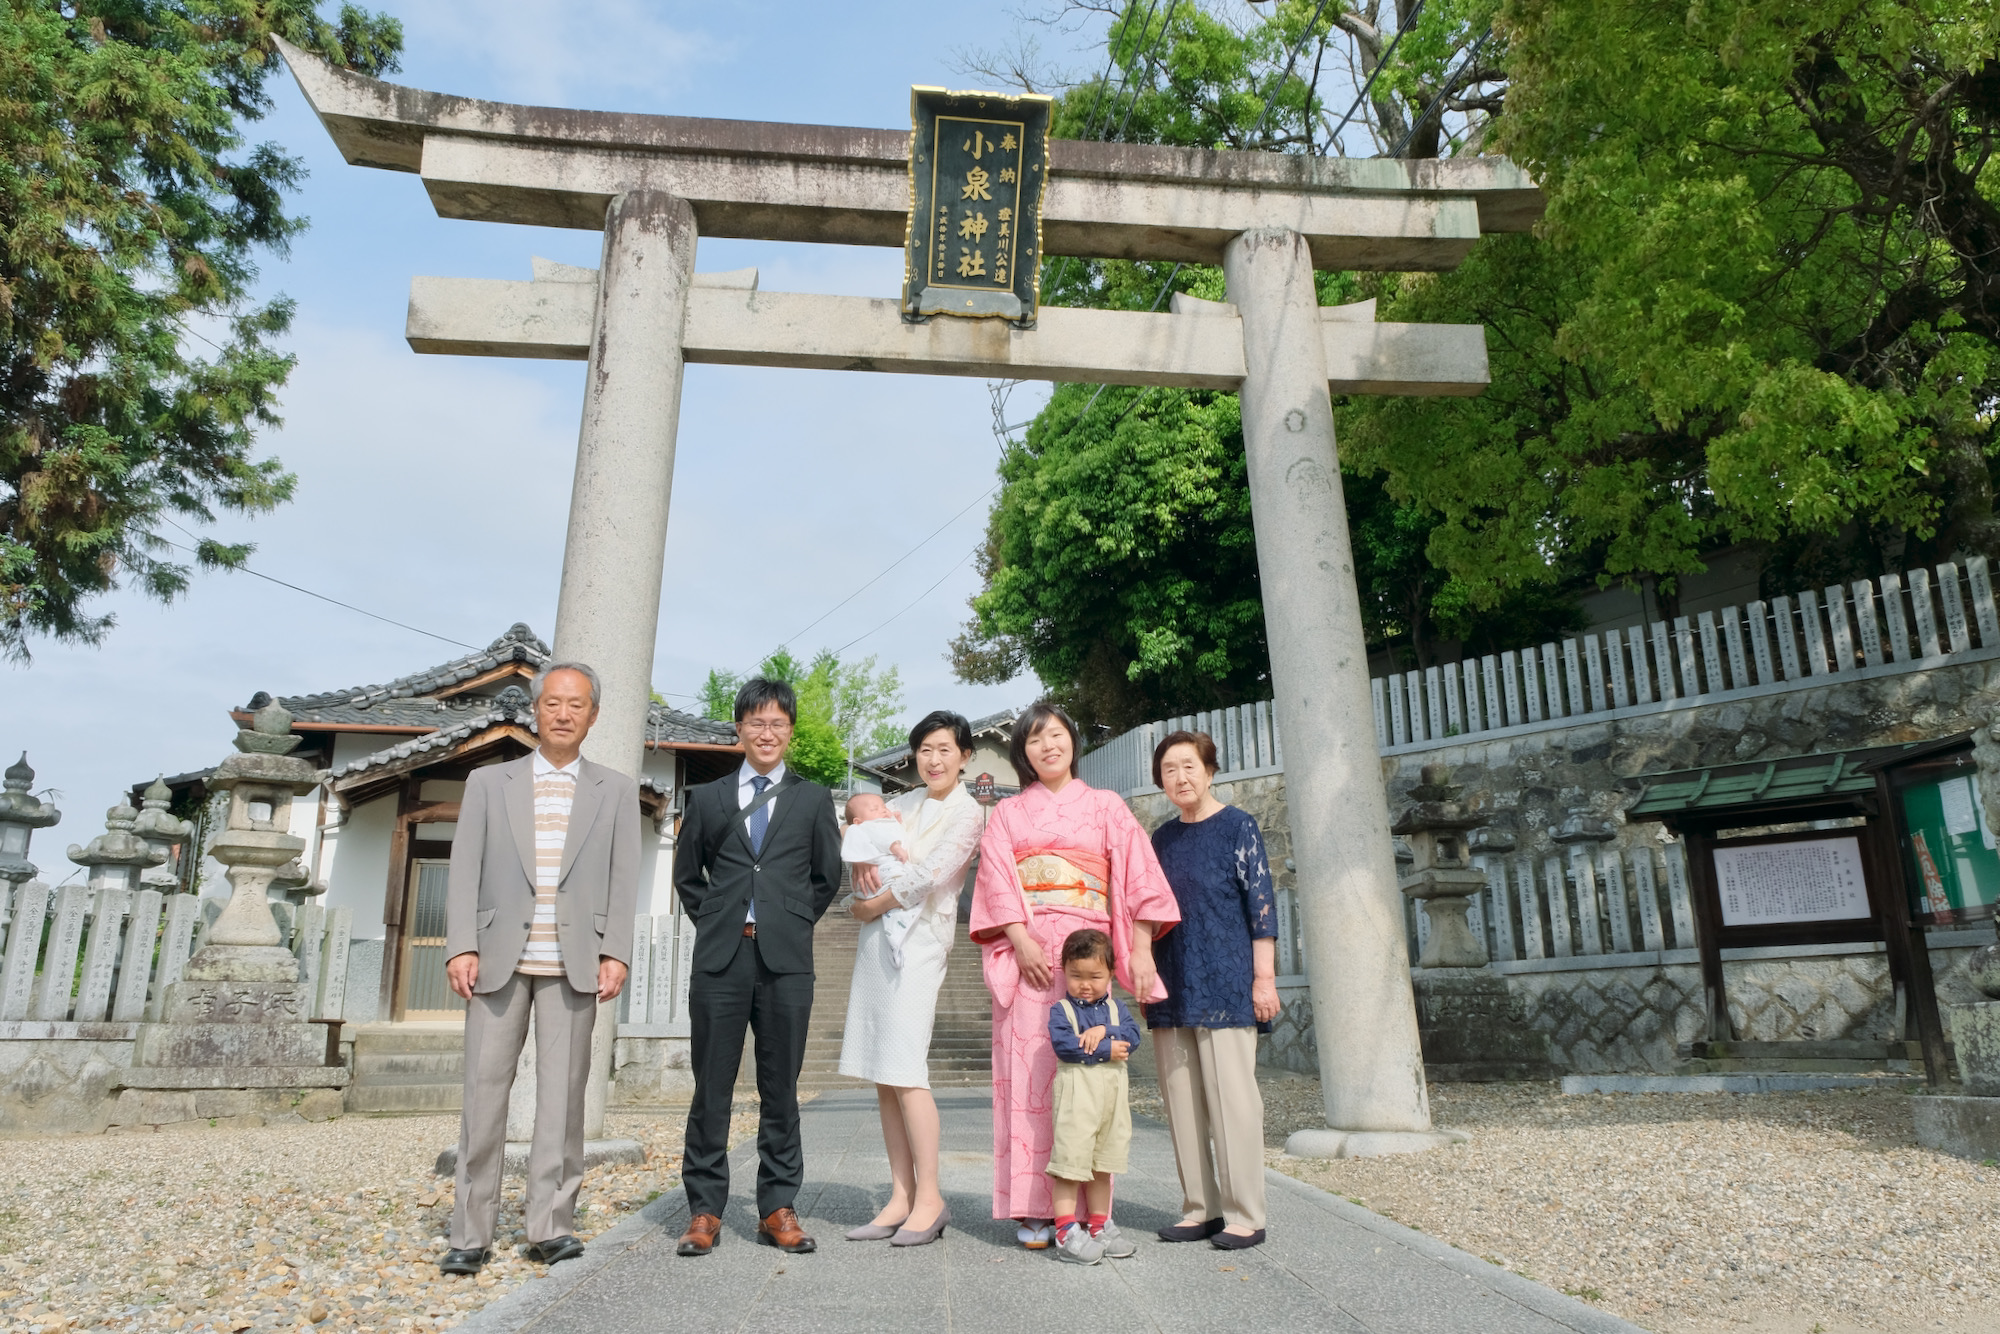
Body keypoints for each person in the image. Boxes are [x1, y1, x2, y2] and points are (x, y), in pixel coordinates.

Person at [439, 662, 638, 1276]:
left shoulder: (615, 788)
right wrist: (459, 944)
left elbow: (624, 878)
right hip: (497, 957)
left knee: (563, 1101)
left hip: (574, 961)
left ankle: (549, 1225)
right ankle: (470, 1232)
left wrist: (617, 952)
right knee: (483, 1094)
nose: (562, 713)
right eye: (552, 702)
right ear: (536, 708)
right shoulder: (488, 782)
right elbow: (464, 866)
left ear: (593, 715)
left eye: (576, 704)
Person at [970, 700, 1180, 1253]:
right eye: (1035, 739)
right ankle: (1034, 1209)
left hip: (1090, 956)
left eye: (1056, 735)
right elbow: (994, 879)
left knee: (1091, 1086)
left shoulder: (1106, 806)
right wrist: (1019, 940)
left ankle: (1094, 1212)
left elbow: (1139, 879)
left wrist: (1135, 950)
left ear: (1072, 743)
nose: (1047, 746)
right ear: (1024, 752)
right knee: (1032, 1081)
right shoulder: (1011, 814)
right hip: (1031, 956)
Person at [672, 677, 842, 1258]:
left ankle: (777, 1205)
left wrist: (787, 921)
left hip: (786, 961)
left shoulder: (813, 798)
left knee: (782, 1086)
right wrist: (721, 919)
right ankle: (703, 1209)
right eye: (756, 723)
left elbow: (825, 878)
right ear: (739, 728)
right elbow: (687, 876)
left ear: (790, 731)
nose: (766, 733)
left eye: (777, 723)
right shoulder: (709, 797)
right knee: (710, 1087)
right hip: (721, 958)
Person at [837, 711, 984, 1248]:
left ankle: (931, 1198)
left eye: (945, 749)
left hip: (920, 942)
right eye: (925, 749)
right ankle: (900, 1195)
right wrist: (858, 869)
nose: (934, 759)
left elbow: (929, 875)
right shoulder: (900, 804)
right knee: (884, 1071)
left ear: (965, 756)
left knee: (907, 1066)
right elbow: (860, 835)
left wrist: (869, 904)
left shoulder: (969, 814)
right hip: (878, 941)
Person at [1148, 729, 1280, 1251]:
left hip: (1227, 979)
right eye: (1168, 770)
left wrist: (1263, 978)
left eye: (1188, 766)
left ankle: (1245, 1212)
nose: (1179, 777)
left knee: (1233, 1100)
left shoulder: (1238, 827)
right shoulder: (1161, 839)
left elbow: (1262, 905)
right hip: (1172, 979)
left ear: (1209, 769)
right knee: (1181, 1100)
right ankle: (1199, 1208)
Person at [1044, 928, 1142, 1266]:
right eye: (1076, 976)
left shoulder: (1117, 1009)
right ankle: (1066, 1230)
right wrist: (1104, 1050)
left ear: (1111, 974)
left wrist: (1106, 1031)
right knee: (1071, 1165)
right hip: (1077, 1100)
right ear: (1064, 972)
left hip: (1111, 1103)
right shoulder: (1062, 1011)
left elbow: (1133, 1037)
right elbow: (1065, 1046)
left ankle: (1100, 1225)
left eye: (1095, 976)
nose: (1085, 984)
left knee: (1104, 1165)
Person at [839, 792, 919, 967]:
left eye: (884, 807)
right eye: (876, 809)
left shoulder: (873, 823)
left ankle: (895, 944)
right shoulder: (872, 826)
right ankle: (896, 945)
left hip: (877, 886)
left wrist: (896, 822)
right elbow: (882, 837)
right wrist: (895, 847)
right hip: (885, 876)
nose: (883, 811)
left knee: (897, 917)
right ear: (858, 821)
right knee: (901, 914)